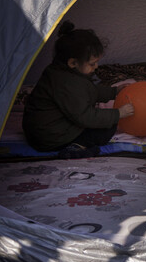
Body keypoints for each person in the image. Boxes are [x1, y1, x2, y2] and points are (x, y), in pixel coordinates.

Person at [22, 22, 135, 159]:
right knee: (106, 127)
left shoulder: (62, 72)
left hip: (44, 132)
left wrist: (114, 92)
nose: (96, 67)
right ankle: (76, 146)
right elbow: (85, 116)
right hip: (51, 137)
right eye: (92, 64)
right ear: (73, 63)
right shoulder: (66, 83)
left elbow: (88, 91)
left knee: (104, 120)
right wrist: (118, 113)